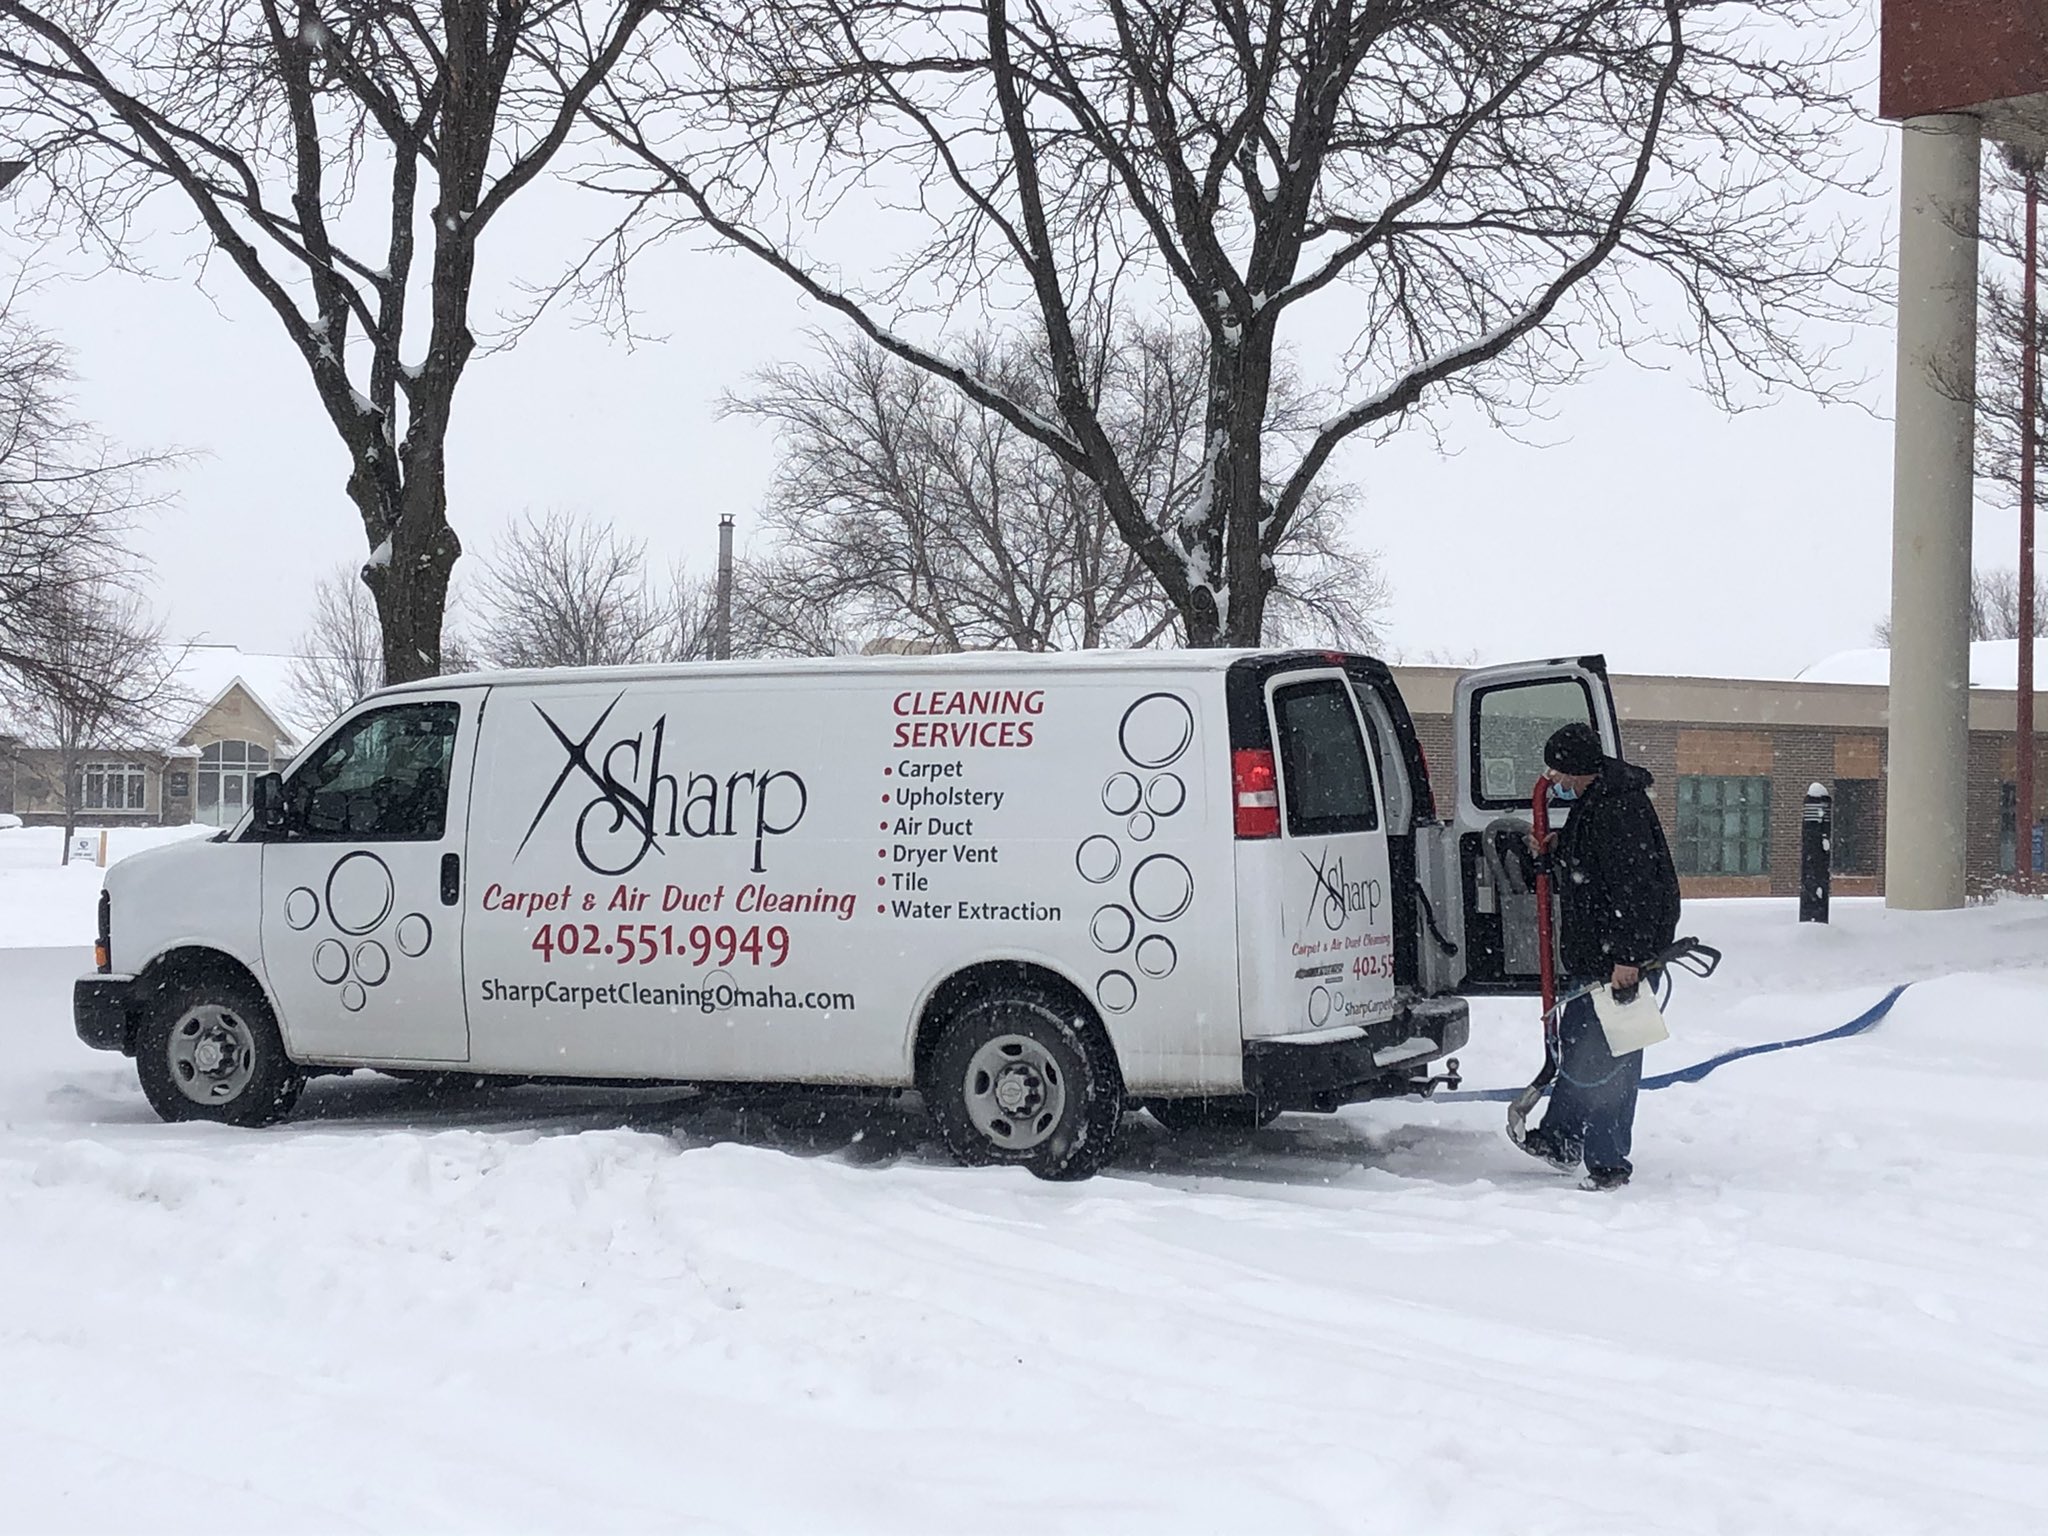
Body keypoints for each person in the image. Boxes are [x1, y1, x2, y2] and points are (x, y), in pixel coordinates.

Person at [1520, 721, 1680, 1191]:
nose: (1556, 781)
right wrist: (1555, 852)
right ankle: (1561, 1137)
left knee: (1613, 1058)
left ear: (1578, 768)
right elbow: (1591, 867)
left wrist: (1628, 958)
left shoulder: (1618, 809)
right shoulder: (1598, 801)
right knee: (1580, 1047)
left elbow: (1634, 888)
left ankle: (1608, 1163)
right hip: (1598, 957)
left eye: (1559, 771)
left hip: (1619, 960)